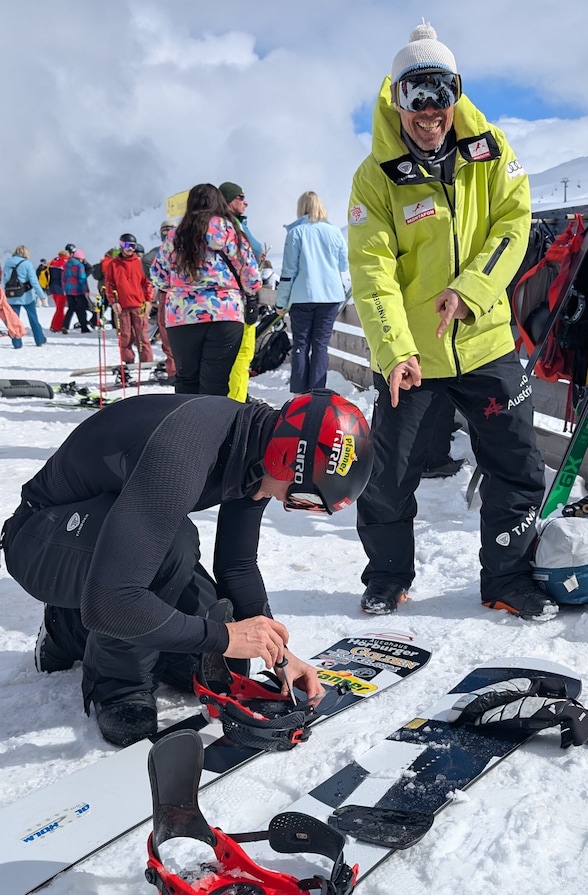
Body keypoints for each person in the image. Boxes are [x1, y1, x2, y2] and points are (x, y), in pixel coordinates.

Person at [0, 390, 373, 747]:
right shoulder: (182, 453)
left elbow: (237, 565)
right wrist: (226, 636)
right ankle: (102, 668)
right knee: (174, 549)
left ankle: (86, 632)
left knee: (216, 663)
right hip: (41, 540)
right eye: (304, 498)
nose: (293, 507)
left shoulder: (258, 444)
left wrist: (278, 654)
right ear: (285, 459)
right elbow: (113, 602)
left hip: (109, 538)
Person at [347, 22, 556, 623]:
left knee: (515, 467)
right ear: (396, 99)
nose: (429, 109)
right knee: (386, 475)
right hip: (416, 355)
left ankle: (507, 579)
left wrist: (472, 290)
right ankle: (387, 576)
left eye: (441, 91)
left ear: (457, 93)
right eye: (414, 94)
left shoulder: (491, 152)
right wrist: (393, 351)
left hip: (488, 343)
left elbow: (514, 225)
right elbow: (372, 269)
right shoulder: (376, 177)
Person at [151, 184, 261, 396]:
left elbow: (158, 276)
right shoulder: (231, 232)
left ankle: (187, 427)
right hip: (225, 314)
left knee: (186, 381)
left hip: (183, 316)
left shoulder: (175, 236)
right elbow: (252, 279)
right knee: (217, 382)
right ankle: (215, 427)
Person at [274, 191, 349, 395]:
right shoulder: (334, 232)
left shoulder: (295, 233)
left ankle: (299, 393)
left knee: (301, 344)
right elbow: (343, 264)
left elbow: (288, 272)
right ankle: (317, 393)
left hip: (302, 296)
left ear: (301, 208)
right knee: (320, 346)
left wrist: (280, 303)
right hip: (331, 297)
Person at [219, 182, 267, 401]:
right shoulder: (232, 227)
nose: (245, 202)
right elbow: (252, 252)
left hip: (225, 302)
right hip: (239, 298)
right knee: (241, 354)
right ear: (229, 200)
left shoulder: (222, 225)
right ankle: (235, 403)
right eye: (240, 197)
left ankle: (235, 397)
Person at [105, 233, 154, 364]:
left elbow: (147, 283)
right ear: (121, 245)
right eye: (127, 245)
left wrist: (149, 300)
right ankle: (128, 361)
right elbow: (109, 284)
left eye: (133, 246)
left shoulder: (139, 263)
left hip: (139, 304)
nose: (130, 248)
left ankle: (146, 361)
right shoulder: (113, 265)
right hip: (122, 305)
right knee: (125, 335)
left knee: (142, 334)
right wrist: (114, 302)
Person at [142, 220, 177, 380]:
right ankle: (177, 370)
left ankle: (174, 371)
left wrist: (159, 281)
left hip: (168, 293)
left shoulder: (161, 250)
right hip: (186, 295)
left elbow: (146, 260)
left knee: (167, 331)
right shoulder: (189, 247)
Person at [2, 246, 47, 346]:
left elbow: (4, 280)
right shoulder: (27, 264)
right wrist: (41, 296)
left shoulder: (7, 263)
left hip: (11, 296)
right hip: (27, 296)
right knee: (33, 318)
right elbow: (34, 282)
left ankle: (17, 342)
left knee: (13, 320)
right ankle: (39, 339)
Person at [61, 248, 92, 333]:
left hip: (68, 290)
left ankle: (65, 325)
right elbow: (82, 278)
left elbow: (63, 278)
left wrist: (65, 288)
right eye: (82, 259)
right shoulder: (79, 265)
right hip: (78, 290)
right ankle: (84, 327)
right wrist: (86, 290)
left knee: (71, 308)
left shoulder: (66, 264)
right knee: (81, 308)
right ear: (79, 258)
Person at [48, 250, 69, 332]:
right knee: (60, 308)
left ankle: (62, 324)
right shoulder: (65, 264)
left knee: (59, 307)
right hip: (61, 289)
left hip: (52, 288)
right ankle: (55, 326)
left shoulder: (52, 262)